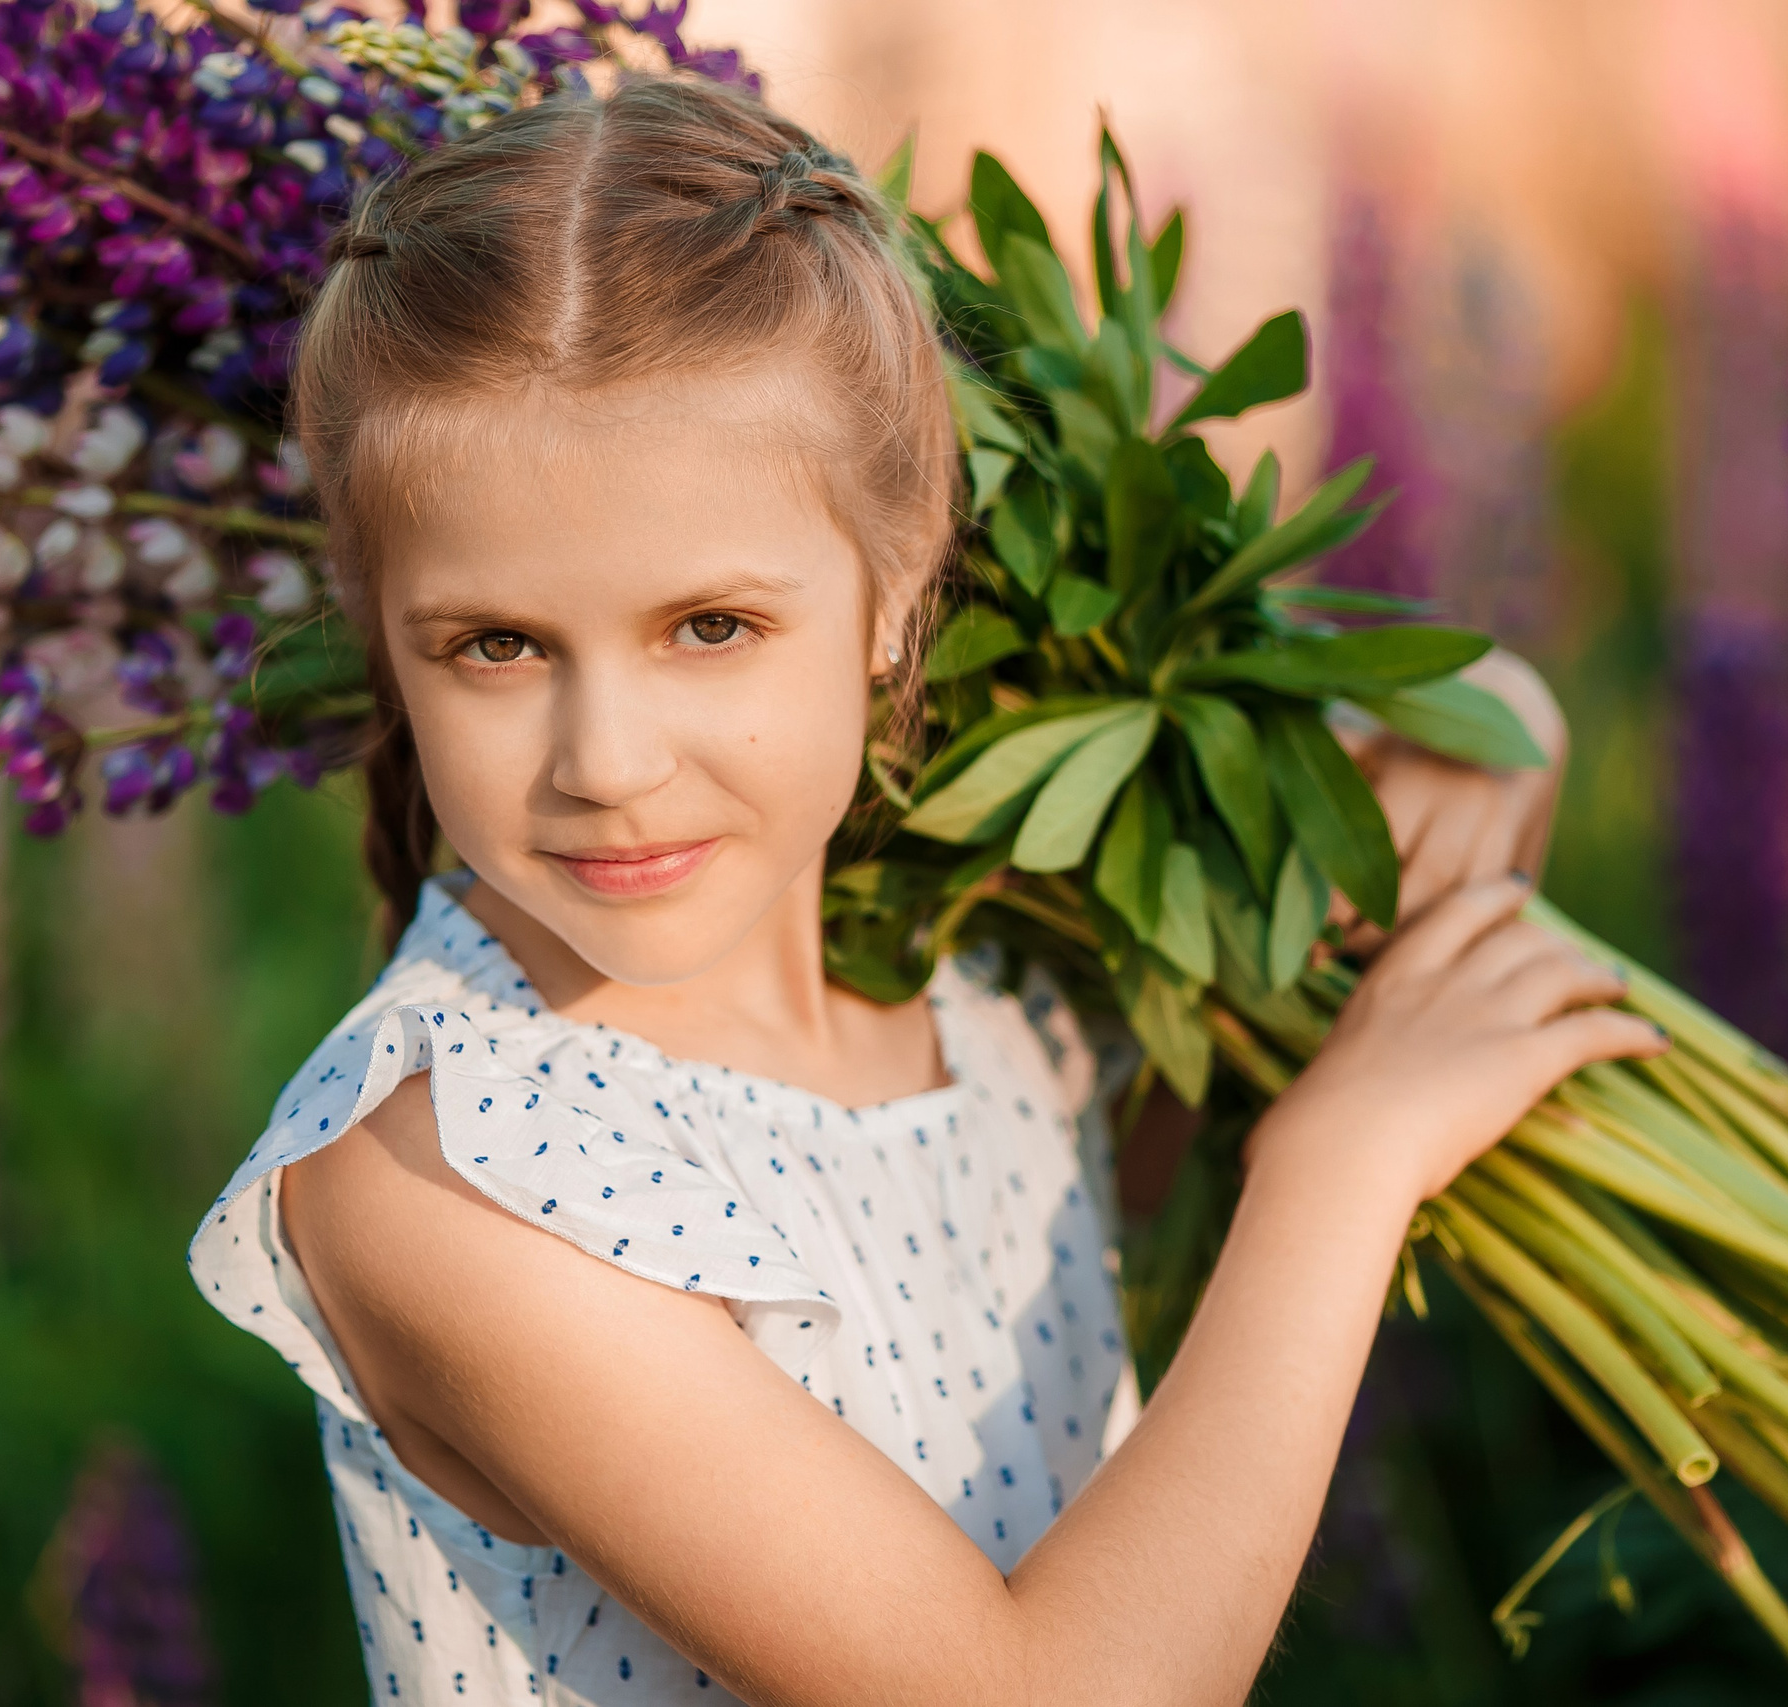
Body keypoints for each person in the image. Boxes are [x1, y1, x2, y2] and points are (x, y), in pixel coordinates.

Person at [187, 74, 1663, 1707]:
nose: (604, 760)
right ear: (378, 626)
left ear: (900, 586)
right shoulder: (446, 1183)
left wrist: (1485, 716)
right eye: (495, 646)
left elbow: (1376, 975)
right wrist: (1341, 1164)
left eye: (711, 628)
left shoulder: (992, 1007)